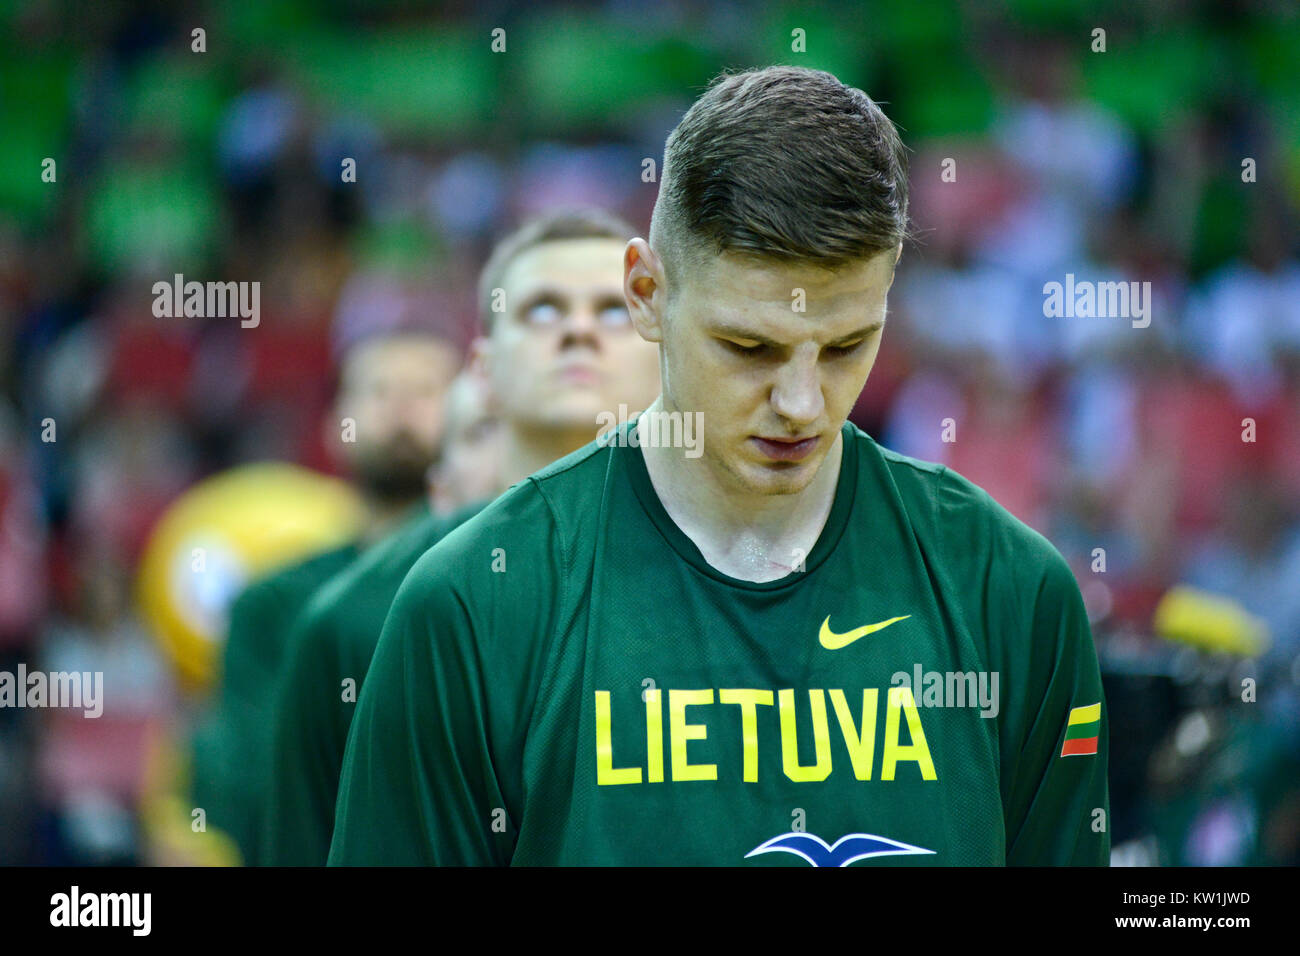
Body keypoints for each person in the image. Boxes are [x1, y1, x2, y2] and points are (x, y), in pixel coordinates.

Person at [330, 66, 1109, 866]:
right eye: (750, 347)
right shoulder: (472, 606)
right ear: (644, 292)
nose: (803, 402)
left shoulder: (1012, 592)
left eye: (846, 345)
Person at [261, 209, 661, 864]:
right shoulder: (354, 619)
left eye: (612, 312)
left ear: (662, 343)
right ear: (482, 365)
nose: (579, 331)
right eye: (542, 311)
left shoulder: (728, 573)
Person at [192, 327, 462, 864]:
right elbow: (257, 789)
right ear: (334, 426)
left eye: (427, 392)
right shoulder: (271, 604)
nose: (402, 409)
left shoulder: (498, 581)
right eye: (379, 391)